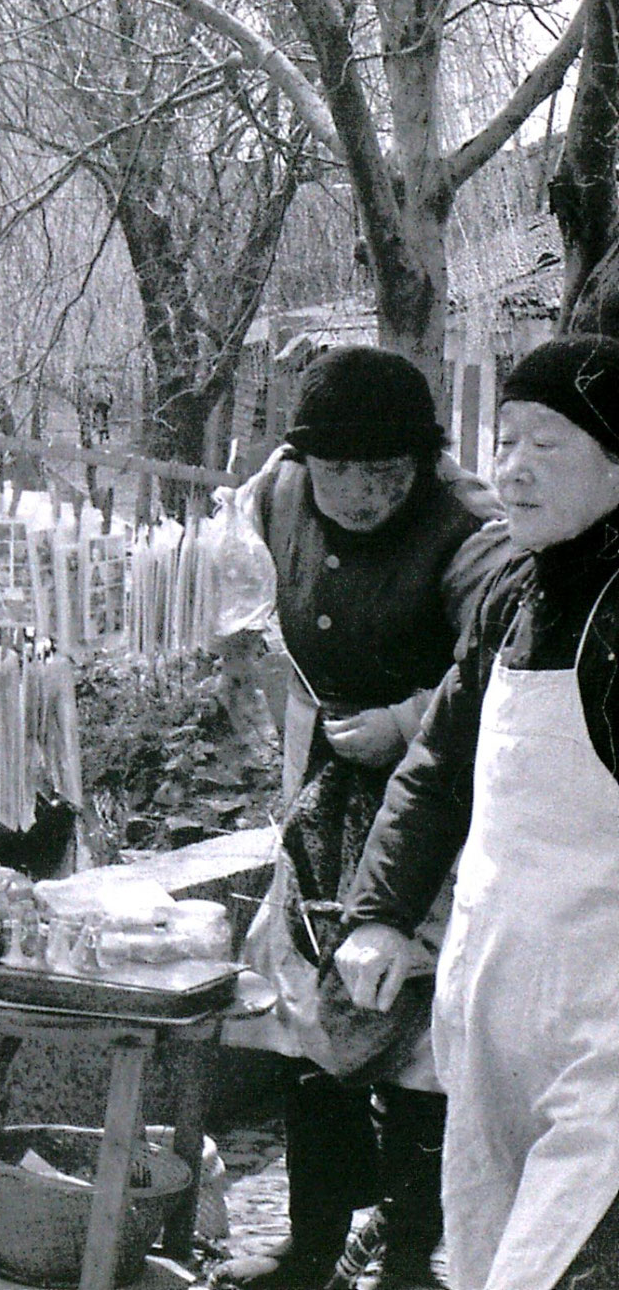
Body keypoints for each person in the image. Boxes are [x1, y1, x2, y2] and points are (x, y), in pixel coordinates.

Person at [218, 345, 511, 1290]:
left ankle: (412, 1252)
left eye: (379, 474)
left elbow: (509, 678)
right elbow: (228, 569)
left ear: (420, 462)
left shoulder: (474, 535)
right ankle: (311, 1244)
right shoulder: (278, 492)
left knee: (416, 1032)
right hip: (323, 799)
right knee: (308, 1016)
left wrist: (405, 719)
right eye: (335, 471)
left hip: (442, 804)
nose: (354, 495)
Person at [337, 335, 619, 1290]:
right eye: (505, 442)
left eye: (549, 441)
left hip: (604, 1030)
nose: (515, 468)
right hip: (491, 1014)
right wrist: (377, 912)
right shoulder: (513, 594)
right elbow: (439, 767)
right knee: (487, 1257)